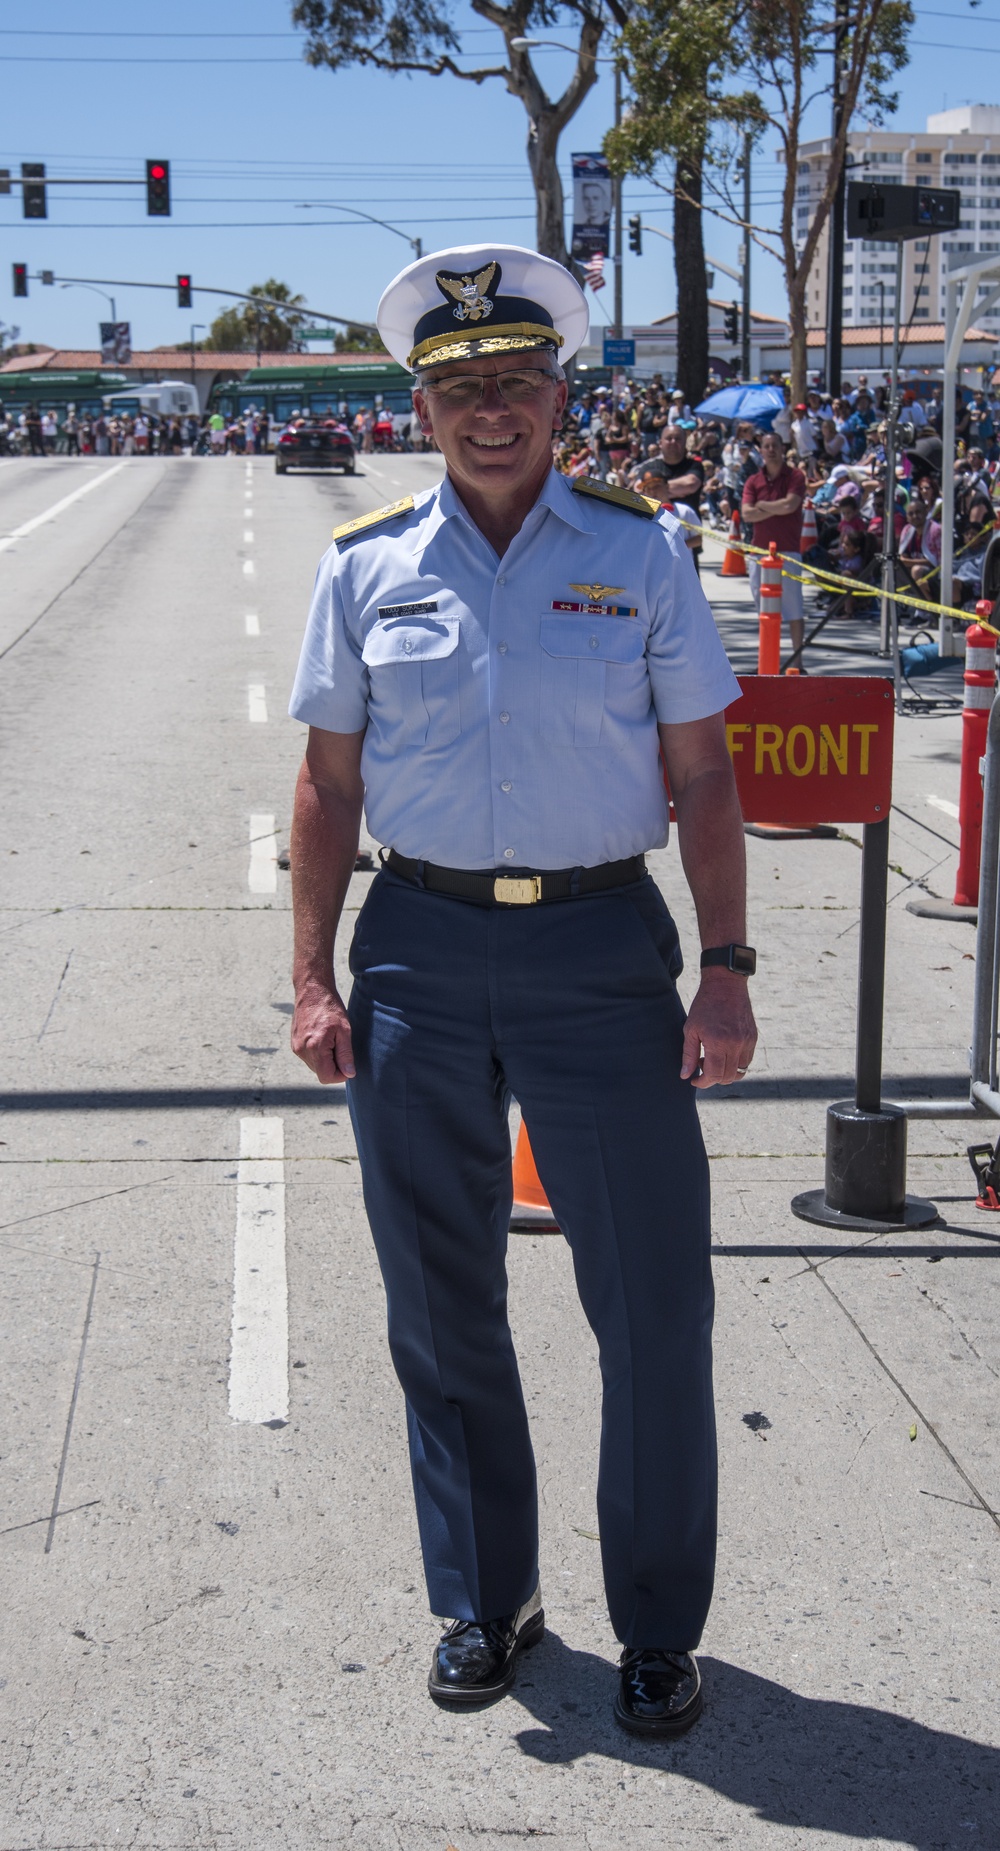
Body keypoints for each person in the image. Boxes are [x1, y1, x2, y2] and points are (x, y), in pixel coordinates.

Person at [288, 242, 756, 1740]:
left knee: (655, 1305)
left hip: (598, 949)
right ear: (422, 408)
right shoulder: (364, 565)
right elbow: (325, 782)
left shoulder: (641, 552)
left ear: (564, 396)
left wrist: (728, 968)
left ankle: (660, 1627)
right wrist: (310, 973)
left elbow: (704, 776)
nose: (494, 410)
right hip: (416, 948)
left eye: (519, 383)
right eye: (461, 388)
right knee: (439, 1303)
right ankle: (486, 1597)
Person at [741, 429, 807, 661]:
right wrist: (774, 508)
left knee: (794, 609)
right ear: (760, 451)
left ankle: (797, 662)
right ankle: (768, 660)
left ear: (783, 449)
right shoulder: (753, 480)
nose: (771, 450)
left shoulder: (796, 476)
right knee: (765, 611)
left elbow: (790, 506)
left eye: (775, 446)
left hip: (787, 552)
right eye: (766, 446)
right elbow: (746, 514)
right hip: (759, 553)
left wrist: (762, 505)